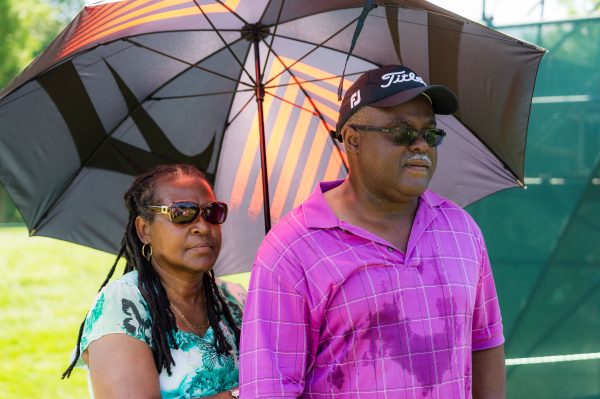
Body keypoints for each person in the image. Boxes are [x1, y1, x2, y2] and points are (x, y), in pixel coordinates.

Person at [239, 65, 505, 398]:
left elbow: (485, 343)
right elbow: (270, 388)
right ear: (353, 140)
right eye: (402, 132)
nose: (421, 145)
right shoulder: (292, 249)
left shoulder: (462, 230)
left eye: (430, 133)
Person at [63, 163, 244, 399]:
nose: (202, 226)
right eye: (182, 213)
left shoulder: (236, 299)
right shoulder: (122, 308)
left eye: (213, 212)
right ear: (144, 229)